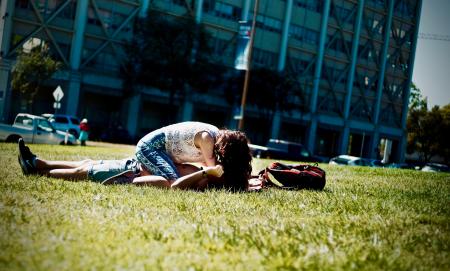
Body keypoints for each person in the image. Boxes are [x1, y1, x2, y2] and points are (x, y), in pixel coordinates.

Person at [16, 138, 225, 190]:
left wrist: (203, 173)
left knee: (84, 171)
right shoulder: (196, 175)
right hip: (131, 163)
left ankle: (36, 171)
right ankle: (38, 162)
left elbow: (155, 183)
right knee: (86, 162)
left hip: (126, 172)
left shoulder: (178, 183)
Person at [135, 121, 253, 191]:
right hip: (150, 148)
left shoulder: (215, 137)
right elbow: (213, 171)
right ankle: (131, 181)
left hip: (163, 151)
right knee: (175, 184)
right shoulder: (207, 139)